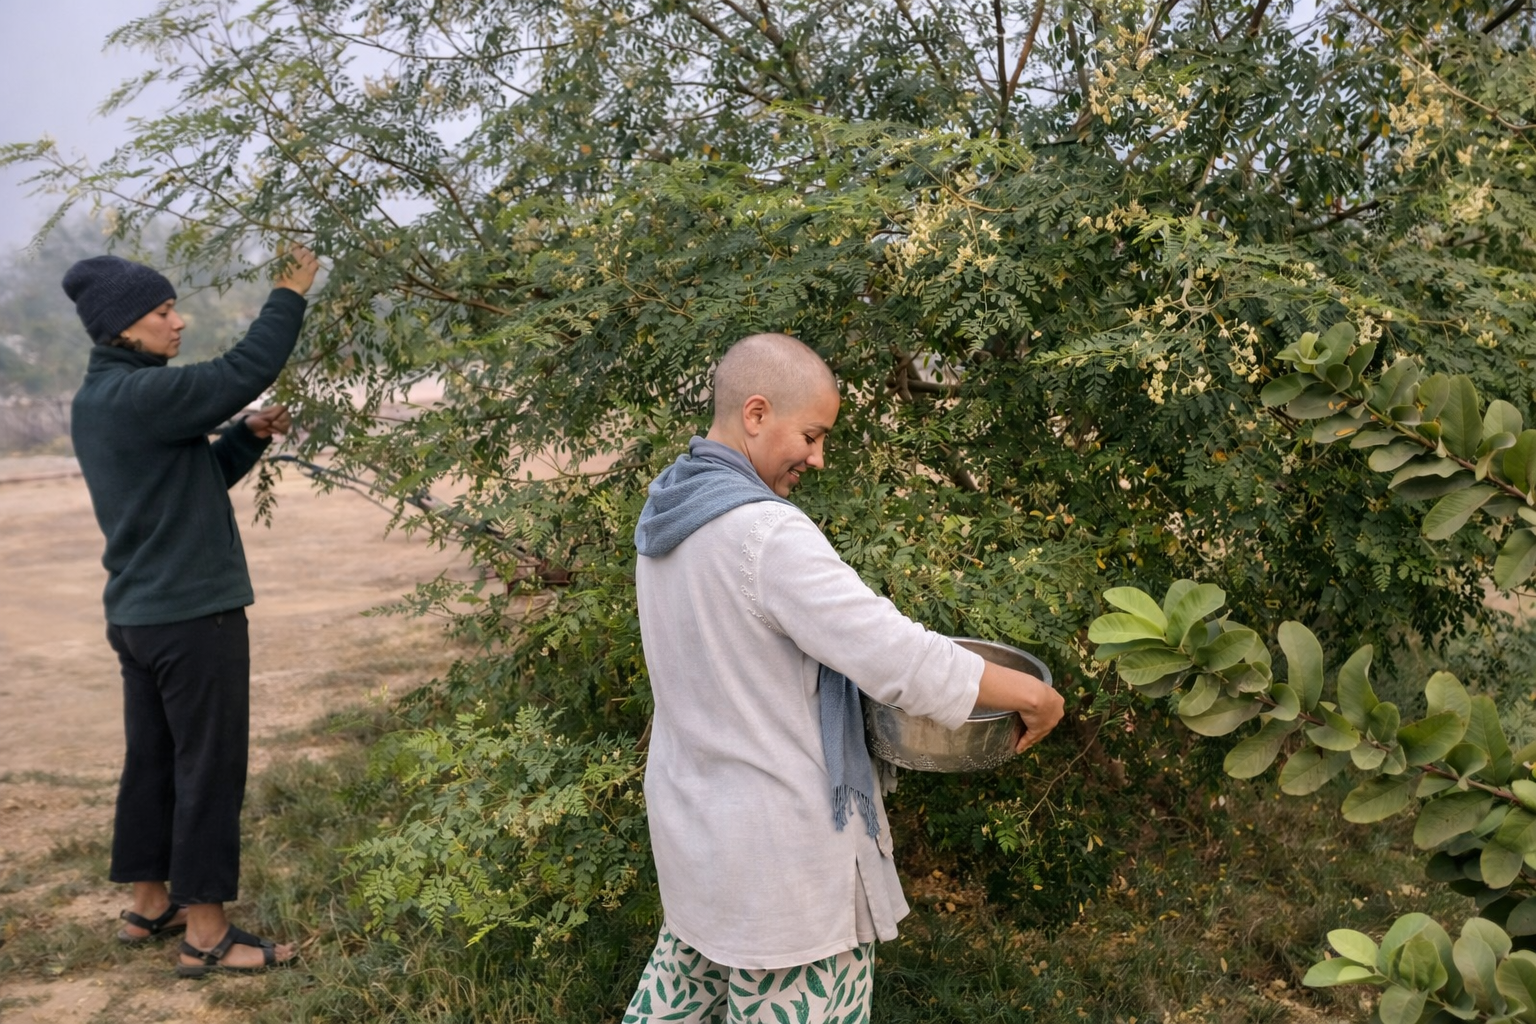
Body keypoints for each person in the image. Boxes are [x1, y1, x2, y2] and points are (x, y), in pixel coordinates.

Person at [624, 333, 1065, 1021]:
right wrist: (1034, 697)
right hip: (782, 871)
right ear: (757, 413)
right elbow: (898, 657)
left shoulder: (670, 516)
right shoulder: (766, 536)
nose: (818, 457)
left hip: (700, 848)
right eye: (811, 434)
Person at [63, 244, 320, 977]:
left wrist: (244, 438)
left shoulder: (102, 398)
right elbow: (243, 370)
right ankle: (208, 933)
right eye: (163, 312)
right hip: (191, 618)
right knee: (208, 769)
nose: (179, 322)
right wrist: (288, 292)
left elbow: (188, 482)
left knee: (155, 760)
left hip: (141, 619)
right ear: (122, 329)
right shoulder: (147, 395)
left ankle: (151, 902)